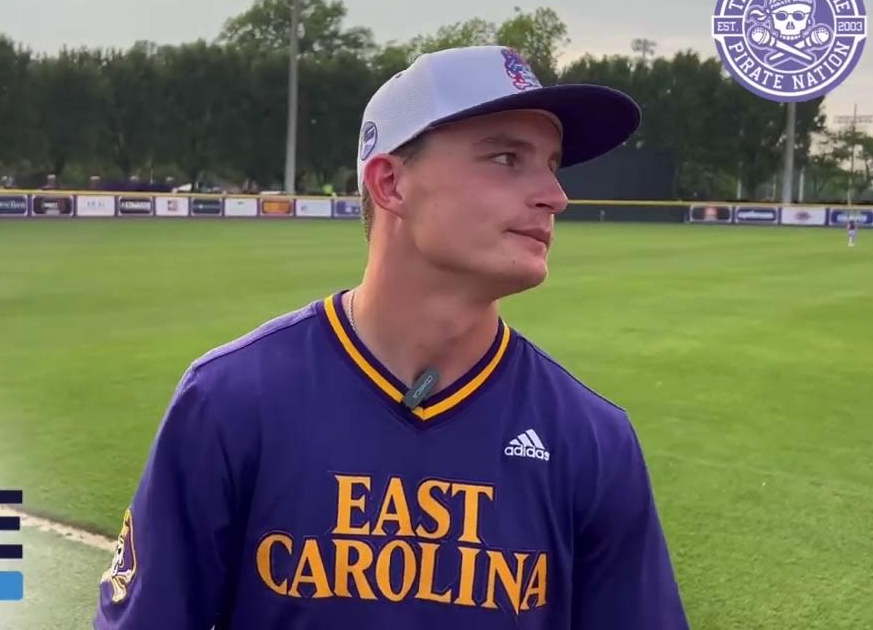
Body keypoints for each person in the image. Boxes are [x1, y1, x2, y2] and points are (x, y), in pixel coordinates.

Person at [94, 46, 689, 630]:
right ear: (391, 183)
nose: (555, 196)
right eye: (508, 158)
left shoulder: (592, 442)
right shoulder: (230, 403)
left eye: (552, 164)